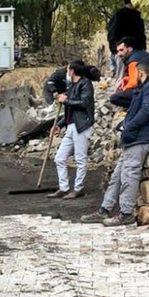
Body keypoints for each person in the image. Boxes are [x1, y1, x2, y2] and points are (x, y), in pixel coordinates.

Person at [82, 61, 149, 226]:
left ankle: (126, 213)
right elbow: (119, 98)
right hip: (134, 138)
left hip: (139, 138)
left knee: (129, 176)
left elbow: (147, 111)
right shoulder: (145, 89)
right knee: (117, 177)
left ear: (143, 73)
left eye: (136, 73)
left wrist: (129, 127)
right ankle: (104, 209)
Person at [47, 61, 96, 199]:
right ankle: (63, 187)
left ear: (72, 71)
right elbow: (70, 110)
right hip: (71, 126)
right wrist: (60, 125)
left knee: (80, 159)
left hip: (82, 126)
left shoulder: (86, 84)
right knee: (59, 158)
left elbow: (84, 103)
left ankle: (78, 188)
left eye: (68, 68)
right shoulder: (72, 86)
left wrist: (66, 101)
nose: (66, 71)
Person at [110, 38, 149, 108]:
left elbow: (133, 83)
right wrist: (125, 80)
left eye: (121, 50)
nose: (119, 54)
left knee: (115, 98)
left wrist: (121, 91)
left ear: (129, 48)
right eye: (118, 51)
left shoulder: (133, 60)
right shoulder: (140, 54)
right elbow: (138, 76)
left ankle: (139, 108)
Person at [107, 0, 146, 77]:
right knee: (122, 79)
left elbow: (141, 35)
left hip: (138, 52)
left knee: (137, 79)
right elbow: (111, 35)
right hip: (122, 52)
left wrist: (143, 48)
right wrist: (116, 51)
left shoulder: (138, 15)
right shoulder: (119, 15)